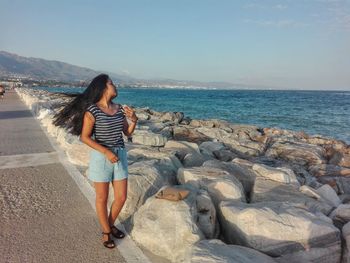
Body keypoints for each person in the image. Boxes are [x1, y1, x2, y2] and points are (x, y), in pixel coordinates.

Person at [53, 74, 138, 249]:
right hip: (102, 156)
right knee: (102, 198)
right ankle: (106, 231)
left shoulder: (119, 109)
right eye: (111, 83)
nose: (115, 85)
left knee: (121, 197)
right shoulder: (92, 110)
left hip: (119, 155)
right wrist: (106, 151)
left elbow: (127, 133)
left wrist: (134, 120)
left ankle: (110, 224)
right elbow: (85, 137)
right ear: (103, 88)